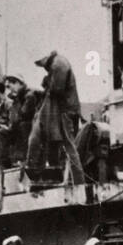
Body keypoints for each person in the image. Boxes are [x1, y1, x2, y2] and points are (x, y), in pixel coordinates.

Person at [26, 51, 84, 185]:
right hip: (67, 110)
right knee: (68, 147)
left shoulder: (58, 65)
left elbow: (57, 89)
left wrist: (47, 83)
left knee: (70, 147)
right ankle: (71, 179)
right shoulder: (60, 63)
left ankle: (78, 181)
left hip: (66, 111)